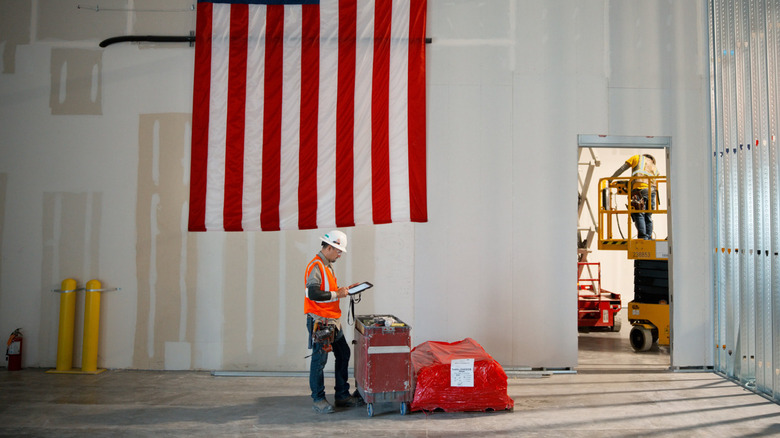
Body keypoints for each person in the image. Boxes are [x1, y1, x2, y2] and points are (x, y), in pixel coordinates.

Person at [304, 230, 364, 414]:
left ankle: (342, 396)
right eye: (338, 251)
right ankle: (319, 399)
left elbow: (327, 291)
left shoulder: (327, 265)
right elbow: (313, 293)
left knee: (343, 354)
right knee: (319, 361)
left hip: (331, 321)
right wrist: (337, 294)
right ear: (329, 247)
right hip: (321, 322)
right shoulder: (316, 266)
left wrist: (342, 290)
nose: (339, 255)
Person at [611, 154, 659, 240]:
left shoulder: (637, 158)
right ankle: (648, 237)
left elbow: (622, 168)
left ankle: (642, 237)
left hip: (639, 189)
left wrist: (610, 179)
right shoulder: (654, 167)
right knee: (648, 215)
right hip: (652, 192)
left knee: (639, 213)